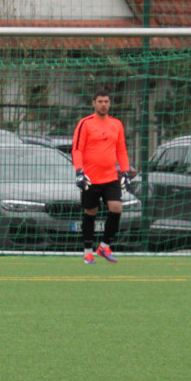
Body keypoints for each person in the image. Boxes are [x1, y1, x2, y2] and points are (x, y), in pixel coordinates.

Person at [72, 90, 135, 264]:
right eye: (100, 101)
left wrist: (125, 171)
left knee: (116, 207)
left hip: (110, 176)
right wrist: (79, 172)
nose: (103, 104)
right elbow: (77, 149)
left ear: (109, 103)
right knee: (90, 212)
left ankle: (104, 246)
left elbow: (121, 150)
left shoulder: (116, 124)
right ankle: (87, 251)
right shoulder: (85, 124)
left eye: (106, 101)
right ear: (94, 103)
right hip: (90, 178)